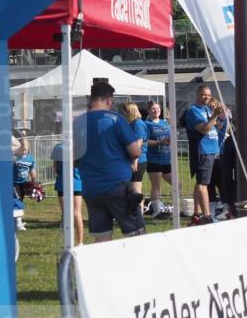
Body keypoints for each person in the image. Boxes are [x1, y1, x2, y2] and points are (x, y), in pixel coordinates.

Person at [73, 80, 145, 242]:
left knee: (101, 239)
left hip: (91, 188)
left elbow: (73, 158)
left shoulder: (78, 122)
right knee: (136, 235)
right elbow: (135, 151)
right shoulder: (115, 119)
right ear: (109, 100)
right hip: (116, 184)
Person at [185, 85, 224, 225]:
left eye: (208, 95)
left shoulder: (207, 109)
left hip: (212, 149)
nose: (206, 97)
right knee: (203, 184)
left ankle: (197, 213)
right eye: (203, 95)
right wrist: (214, 116)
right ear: (197, 94)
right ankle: (207, 216)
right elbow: (203, 130)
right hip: (203, 151)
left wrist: (219, 115)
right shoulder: (193, 111)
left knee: (200, 182)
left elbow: (216, 127)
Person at [143, 101, 174, 218]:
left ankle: (170, 206)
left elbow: (171, 136)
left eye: (157, 108)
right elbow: (145, 141)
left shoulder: (165, 123)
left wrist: (170, 139)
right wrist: (160, 142)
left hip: (166, 159)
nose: (156, 110)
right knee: (156, 186)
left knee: (178, 184)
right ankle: (156, 210)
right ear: (148, 110)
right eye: (153, 109)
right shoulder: (147, 124)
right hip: (154, 159)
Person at [51, 141, 84, 245]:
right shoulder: (80, 147)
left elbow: (55, 168)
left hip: (62, 183)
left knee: (66, 214)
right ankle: (80, 242)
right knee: (76, 213)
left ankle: (67, 242)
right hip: (76, 183)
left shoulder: (58, 147)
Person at [122, 102, 147, 199]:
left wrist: (134, 162)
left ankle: (138, 213)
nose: (123, 114)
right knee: (131, 190)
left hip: (138, 161)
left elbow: (138, 144)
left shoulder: (138, 124)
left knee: (136, 191)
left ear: (130, 111)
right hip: (131, 160)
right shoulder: (131, 123)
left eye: (124, 111)